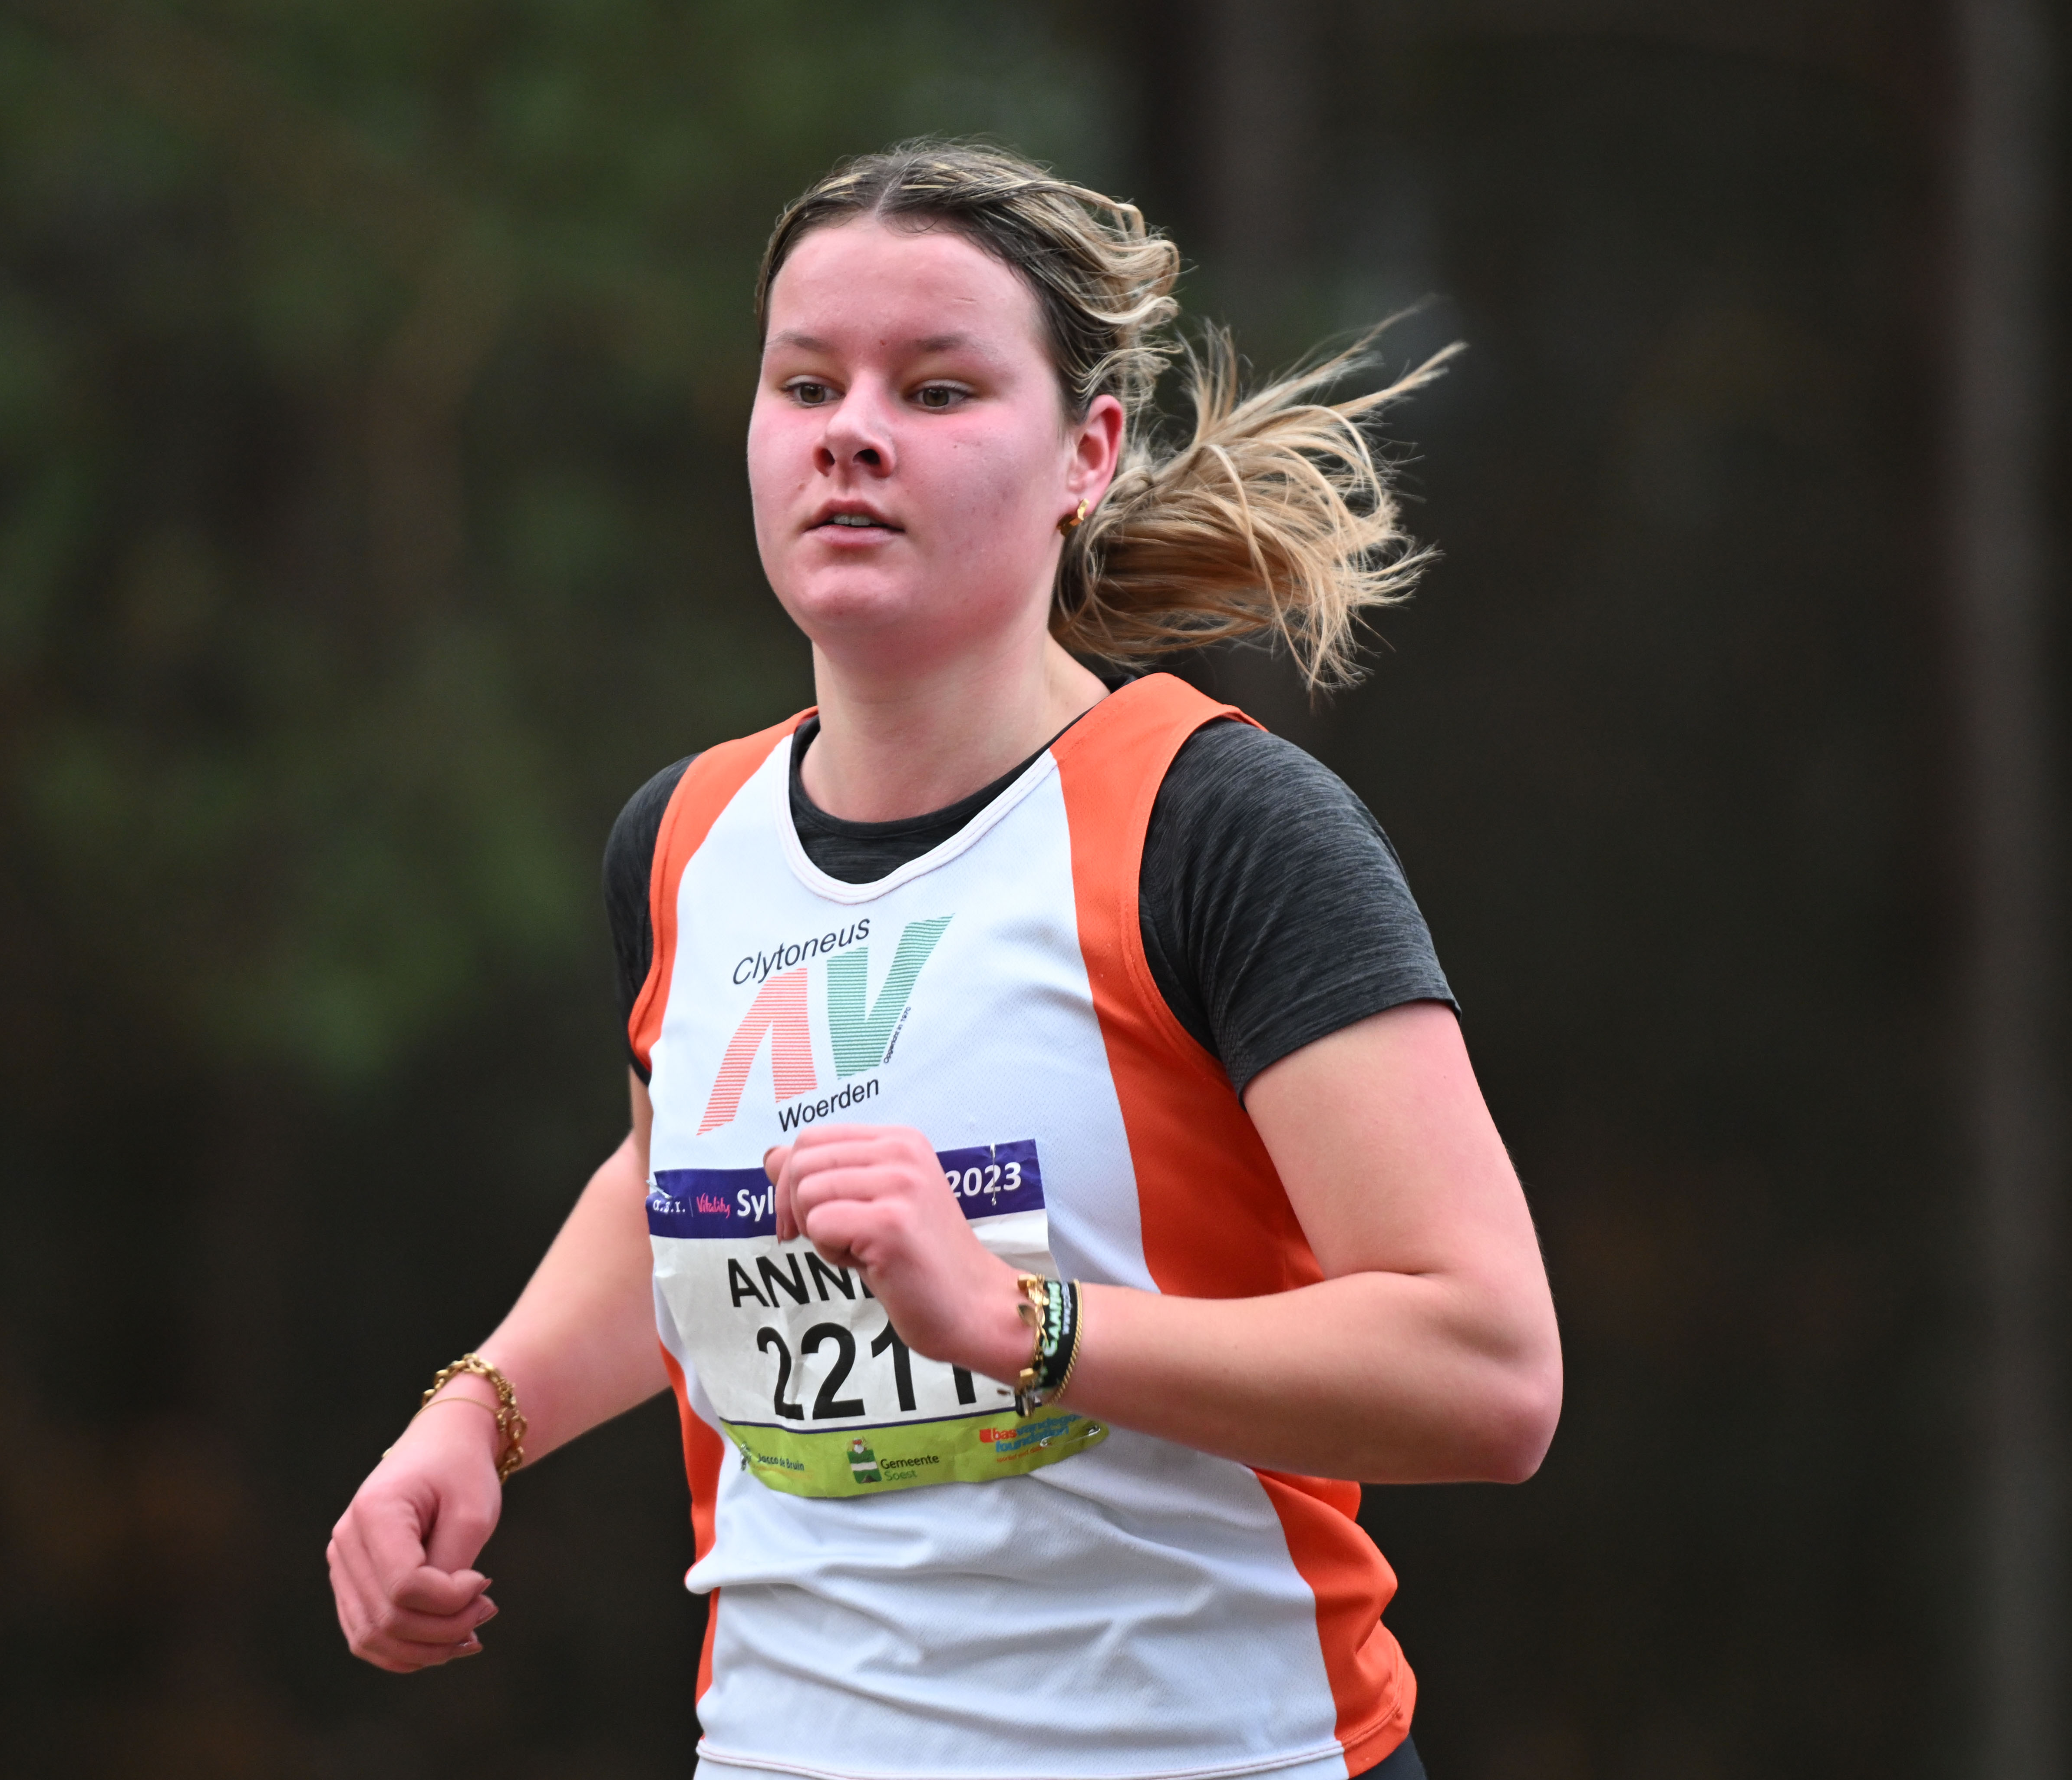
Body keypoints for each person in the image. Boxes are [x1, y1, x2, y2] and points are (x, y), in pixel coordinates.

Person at [327, 140, 1561, 1780]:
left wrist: (1021, 1320)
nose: (852, 431)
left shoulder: (1219, 828)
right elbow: (674, 1188)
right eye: (806, 383)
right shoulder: (686, 840)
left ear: (1085, 454)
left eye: (937, 389)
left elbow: (1488, 1368)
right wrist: (479, 1411)